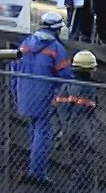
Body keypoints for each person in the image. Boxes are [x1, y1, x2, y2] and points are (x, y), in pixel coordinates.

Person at [16, 14, 71, 182]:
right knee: (43, 132)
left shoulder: (26, 43)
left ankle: (34, 168)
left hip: (24, 93)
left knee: (34, 129)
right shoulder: (56, 48)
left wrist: (15, 93)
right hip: (44, 95)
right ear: (56, 29)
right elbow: (65, 76)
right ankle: (37, 173)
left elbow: (14, 68)